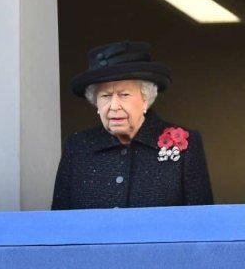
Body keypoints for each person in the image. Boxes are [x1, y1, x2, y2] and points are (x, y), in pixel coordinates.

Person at [52, 40, 213, 209]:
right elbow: (58, 223)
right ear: (96, 103)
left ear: (146, 99)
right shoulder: (77, 146)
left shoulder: (185, 145)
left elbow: (203, 222)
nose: (114, 106)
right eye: (105, 96)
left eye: (124, 95)